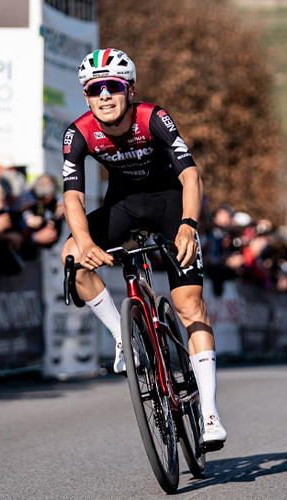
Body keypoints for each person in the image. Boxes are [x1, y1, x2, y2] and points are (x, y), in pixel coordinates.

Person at [60, 48, 226, 448]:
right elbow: (73, 197)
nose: (104, 95)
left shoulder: (152, 118)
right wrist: (85, 243)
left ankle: (209, 412)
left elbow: (190, 176)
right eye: (94, 89)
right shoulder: (78, 133)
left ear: (129, 90)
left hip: (170, 204)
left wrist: (188, 226)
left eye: (112, 86)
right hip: (124, 206)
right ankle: (123, 338)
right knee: (72, 257)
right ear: (86, 97)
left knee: (189, 306)